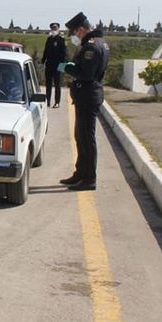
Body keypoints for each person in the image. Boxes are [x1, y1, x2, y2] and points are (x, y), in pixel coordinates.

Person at [58, 12, 109, 191]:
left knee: (87, 139)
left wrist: (67, 67)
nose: (74, 36)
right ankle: (80, 173)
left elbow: (85, 74)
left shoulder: (91, 46)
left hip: (88, 95)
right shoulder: (98, 43)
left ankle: (89, 179)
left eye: (74, 32)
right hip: (86, 95)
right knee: (80, 137)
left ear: (81, 29)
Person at [41, 22, 67, 108]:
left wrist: (62, 66)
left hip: (58, 65)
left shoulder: (61, 39)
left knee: (57, 84)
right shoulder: (49, 39)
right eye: (52, 28)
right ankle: (47, 101)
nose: (53, 29)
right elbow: (45, 51)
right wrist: (43, 61)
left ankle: (57, 102)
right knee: (48, 84)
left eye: (55, 28)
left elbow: (64, 54)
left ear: (58, 29)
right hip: (49, 65)